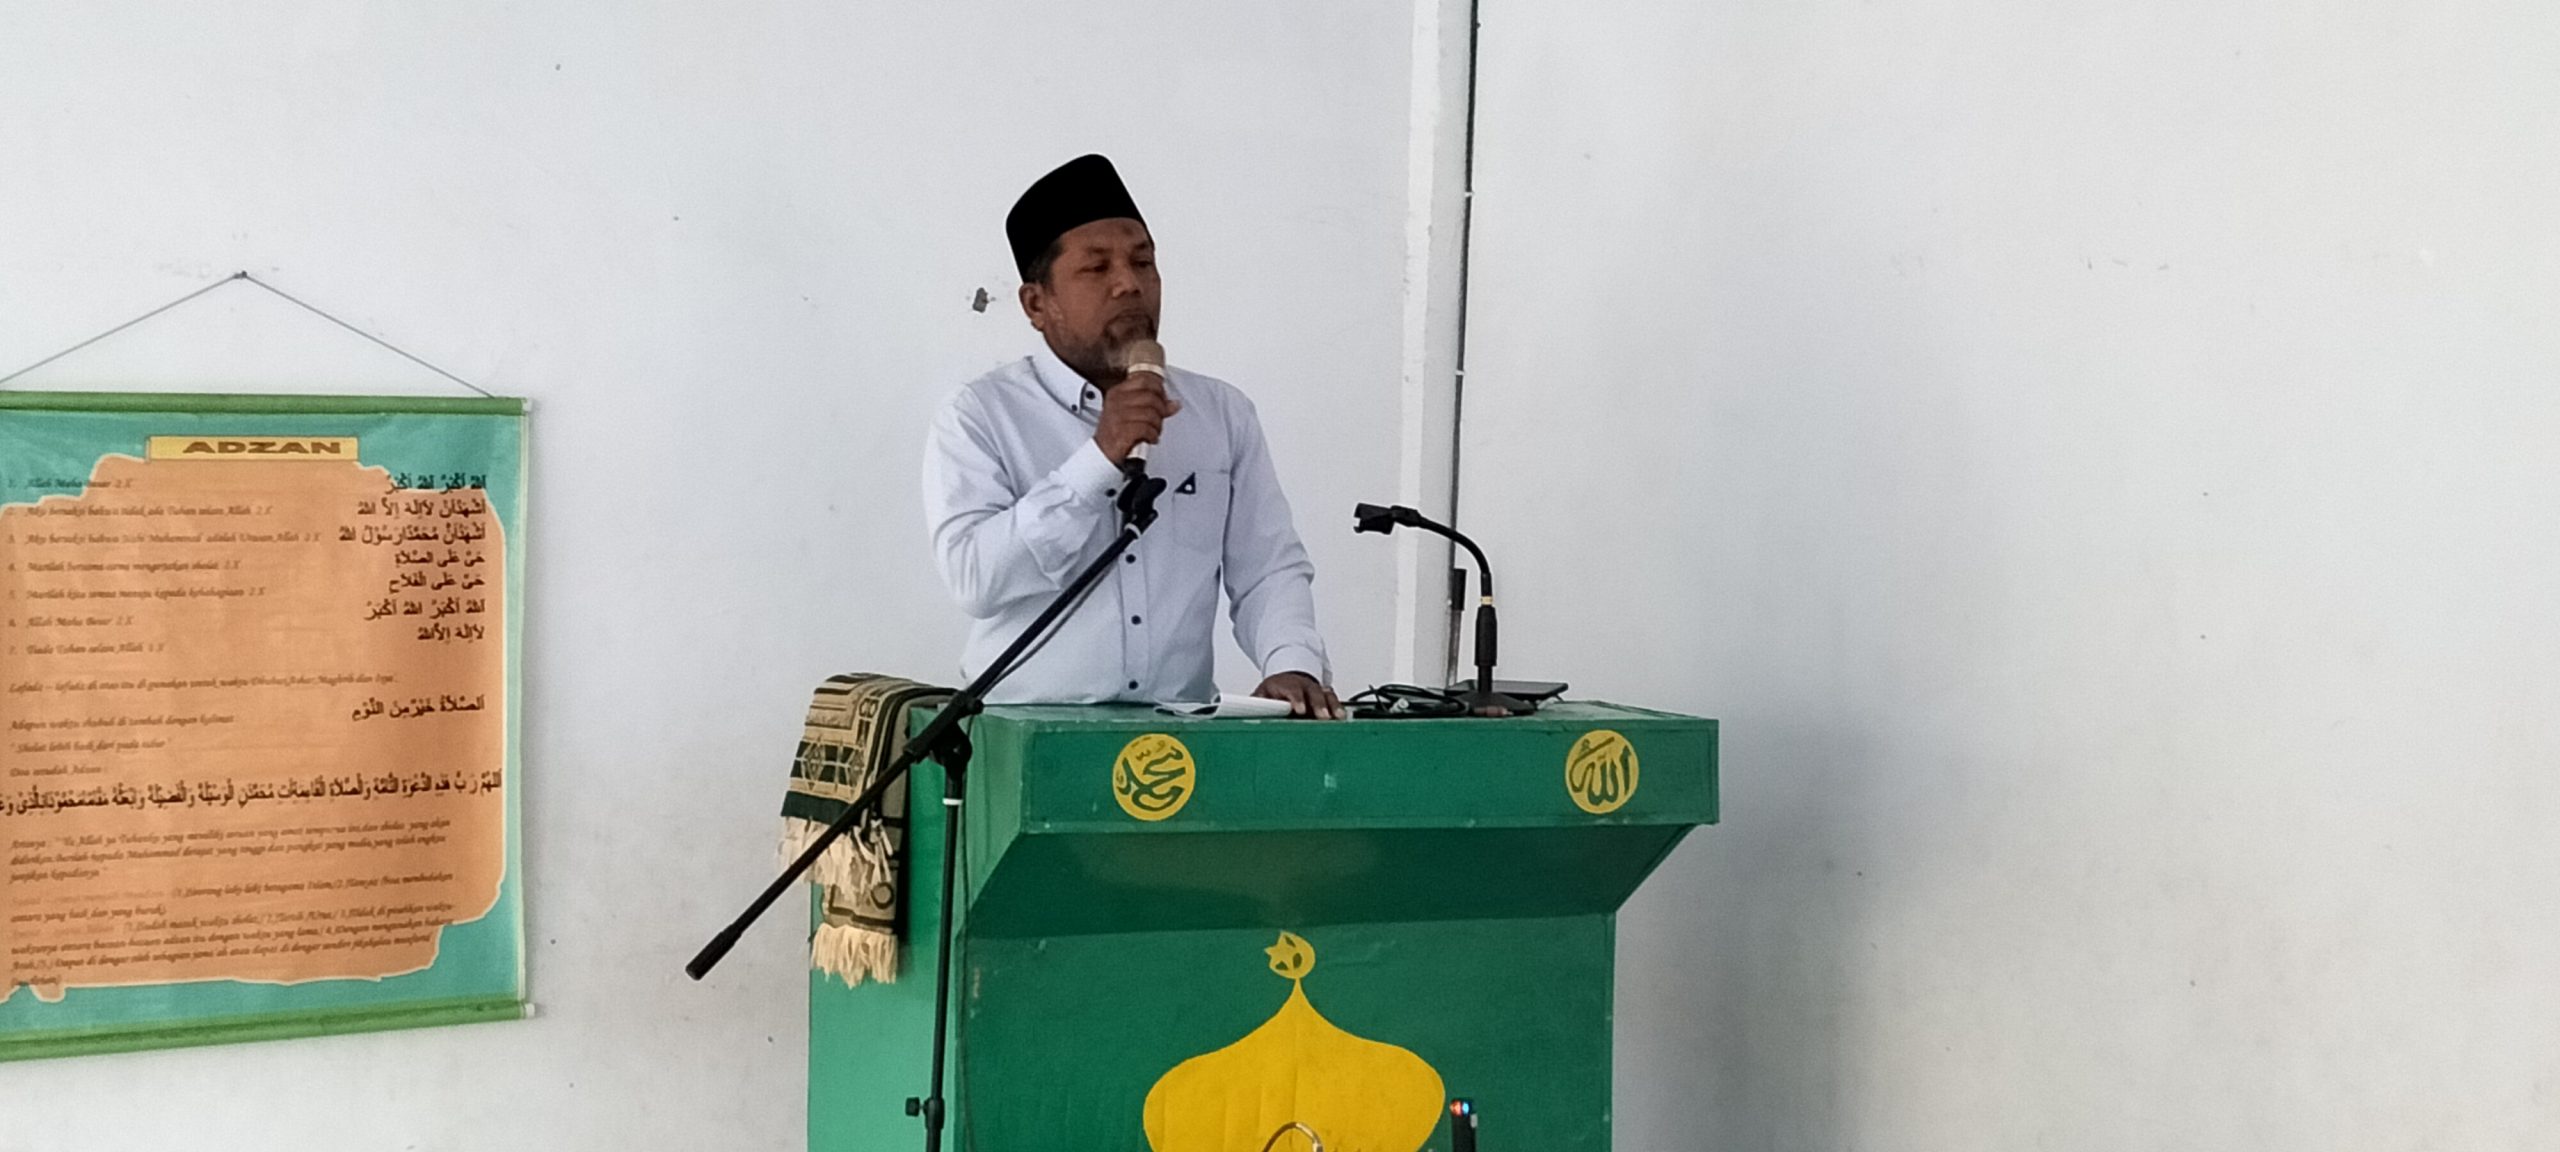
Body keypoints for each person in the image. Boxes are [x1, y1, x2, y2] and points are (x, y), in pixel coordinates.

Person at [921, 154, 1344, 718]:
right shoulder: (981, 415)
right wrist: (1098, 459)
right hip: (1025, 732)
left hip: (1176, 740)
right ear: (1036, 304)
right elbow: (975, 579)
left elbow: (1268, 567)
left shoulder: (1220, 414)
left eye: (1143, 263)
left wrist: (1291, 663)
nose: (1129, 284)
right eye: (1097, 268)